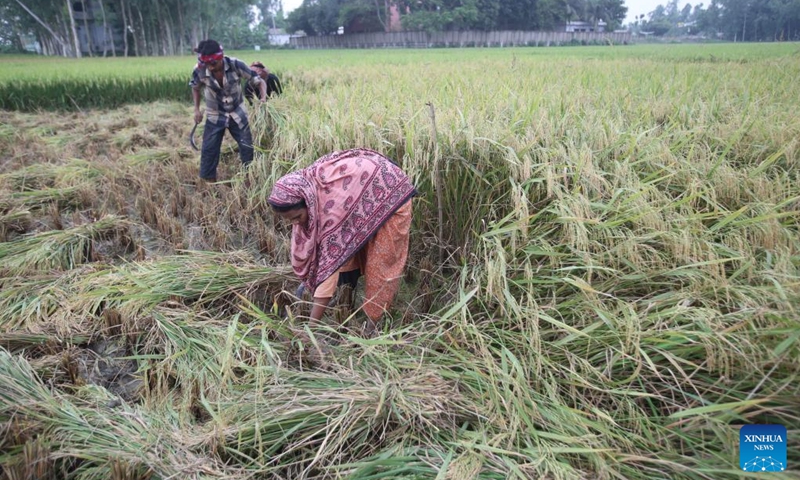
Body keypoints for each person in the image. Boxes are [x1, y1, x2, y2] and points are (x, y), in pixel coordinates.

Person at [268, 148, 416, 335]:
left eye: (297, 217)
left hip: (391, 192)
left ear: (307, 204)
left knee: (380, 263)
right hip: (359, 192)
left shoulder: (331, 212)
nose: (295, 224)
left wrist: (311, 330)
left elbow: (329, 267)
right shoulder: (309, 192)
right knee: (346, 252)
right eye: (289, 221)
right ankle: (346, 295)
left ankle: (372, 326)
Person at [189, 39, 267, 182]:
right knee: (209, 150)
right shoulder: (199, 70)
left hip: (238, 113)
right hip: (215, 114)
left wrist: (263, 99)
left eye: (214, 64)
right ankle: (209, 184)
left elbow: (258, 80)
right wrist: (196, 109)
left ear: (221, 57)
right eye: (208, 65)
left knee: (247, 148)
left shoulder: (236, 64)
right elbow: (195, 87)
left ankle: (249, 179)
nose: (211, 68)